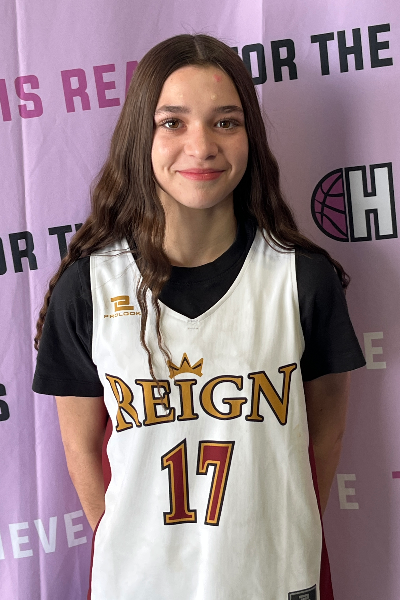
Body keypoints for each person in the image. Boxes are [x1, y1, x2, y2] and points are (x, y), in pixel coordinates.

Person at [33, 34, 365, 600]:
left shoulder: (302, 279)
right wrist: (129, 543)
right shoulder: (87, 288)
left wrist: (279, 534)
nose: (201, 146)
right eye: (173, 122)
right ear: (141, 137)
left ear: (249, 136)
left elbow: (325, 433)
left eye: (225, 122)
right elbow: (81, 449)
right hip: (139, 583)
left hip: (273, 578)